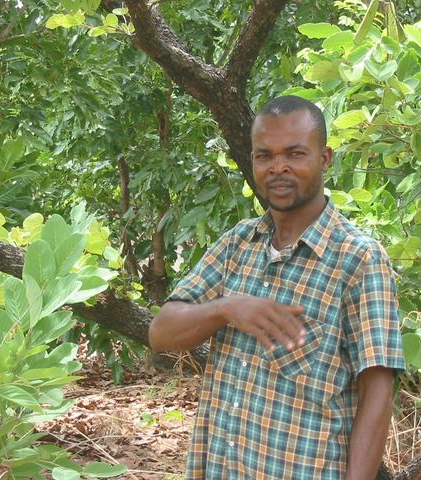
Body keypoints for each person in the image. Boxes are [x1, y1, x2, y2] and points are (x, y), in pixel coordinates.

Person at [149, 95, 405, 480]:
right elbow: (161, 333)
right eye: (265, 156)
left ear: (324, 159)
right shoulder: (239, 243)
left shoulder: (358, 259)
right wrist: (227, 308)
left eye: (295, 154)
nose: (278, 167)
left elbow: (377, 392)